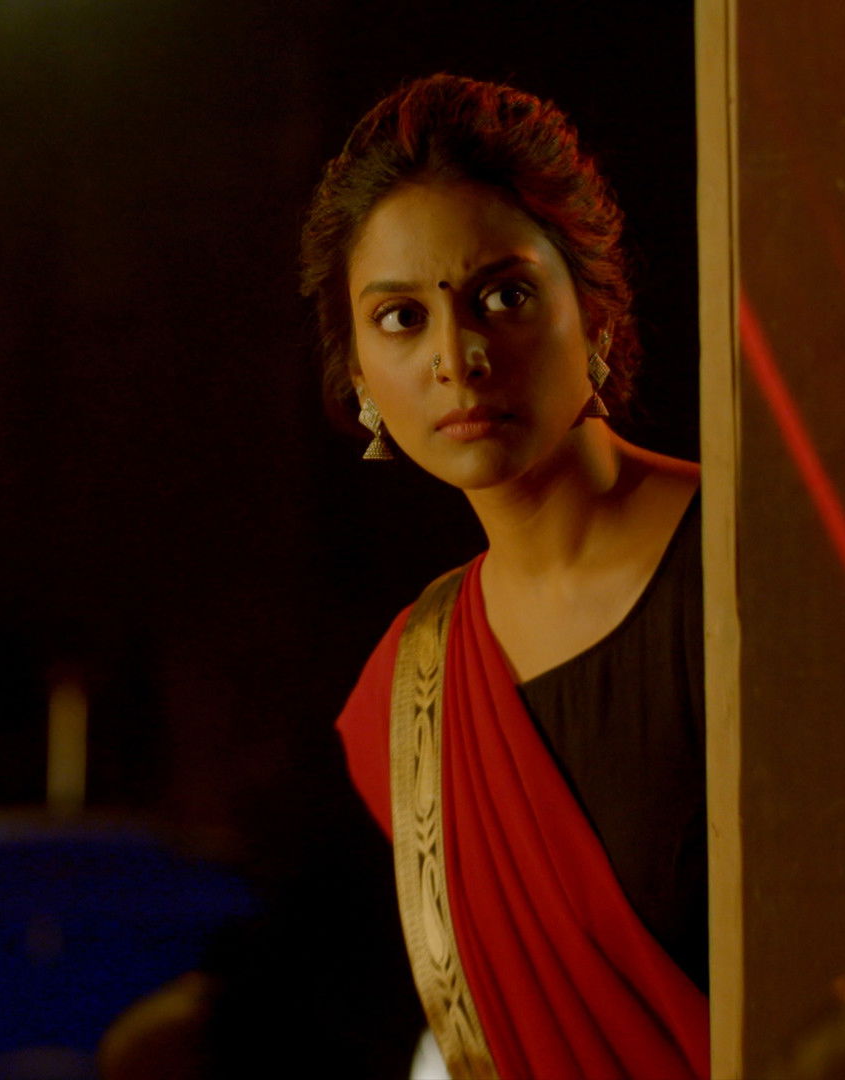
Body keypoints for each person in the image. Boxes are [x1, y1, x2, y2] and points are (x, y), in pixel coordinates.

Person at [301, 74, 709, 1080]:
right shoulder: (406, 697)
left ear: (596, 315)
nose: (459, 355)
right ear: (359, 378)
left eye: (505, 296)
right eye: (402, 318)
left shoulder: (756, 561)